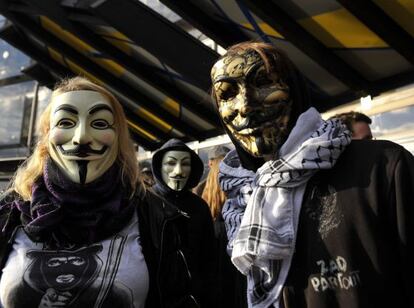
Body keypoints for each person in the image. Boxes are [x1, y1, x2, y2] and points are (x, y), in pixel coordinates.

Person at [210, 42, 414, 308]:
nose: (245, 106)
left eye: (263, 82)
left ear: (294, 88)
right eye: (227, 94)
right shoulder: (241, 201)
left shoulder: (383, 168)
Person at [0, 77, 198, 308]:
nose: (82, 137)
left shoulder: (153, 214)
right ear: (46, 135)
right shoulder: (9, 213)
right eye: (65, 122)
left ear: (118, 136)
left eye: (100, 123)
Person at [151, 139, 216, 307]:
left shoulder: (199, 206)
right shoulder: (146, 202)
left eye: (185, 164)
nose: (178, 171)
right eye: (171, 163)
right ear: (160, 166)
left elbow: (209, 257)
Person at [200, 145, 247, 308]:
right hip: (236, 243)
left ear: (210, 163)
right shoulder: (240, 181)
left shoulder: (200, 189)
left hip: (214, 244)